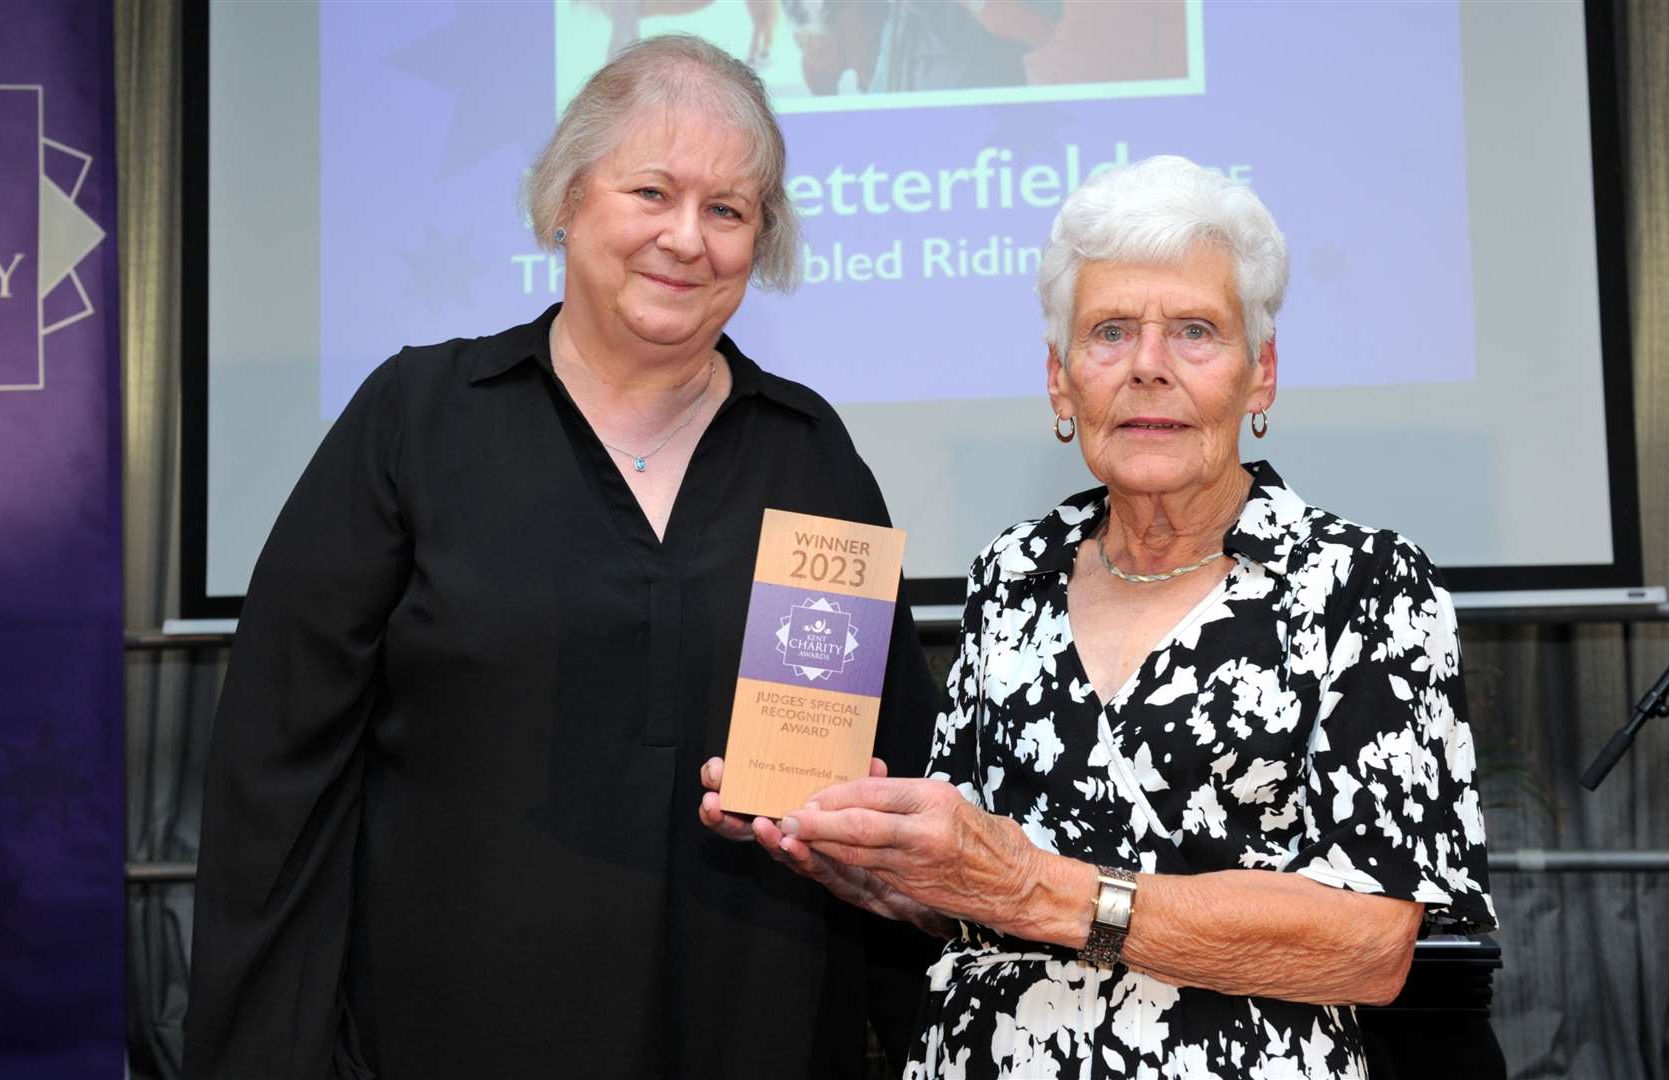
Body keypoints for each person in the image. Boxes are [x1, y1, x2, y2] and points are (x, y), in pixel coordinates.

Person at [183, 35, 939, 1080]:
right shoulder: (420, 421)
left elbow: (887, 779)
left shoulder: (810, 457)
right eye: (651, 191)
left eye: (727, 210)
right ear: (565, 200)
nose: (687, 238)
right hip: (445, 1035)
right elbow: (278, 762)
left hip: (751, 1030)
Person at [701, 155, 1496, 1078]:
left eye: (1194, 332)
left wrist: (1042, 889)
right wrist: (867, 859)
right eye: (1109, 332)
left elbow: (1369, 944)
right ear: (1060, 378)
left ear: (1261, 373)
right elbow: (974, 896)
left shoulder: (1366, 586)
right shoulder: (1011, 573)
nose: (1147, 368)